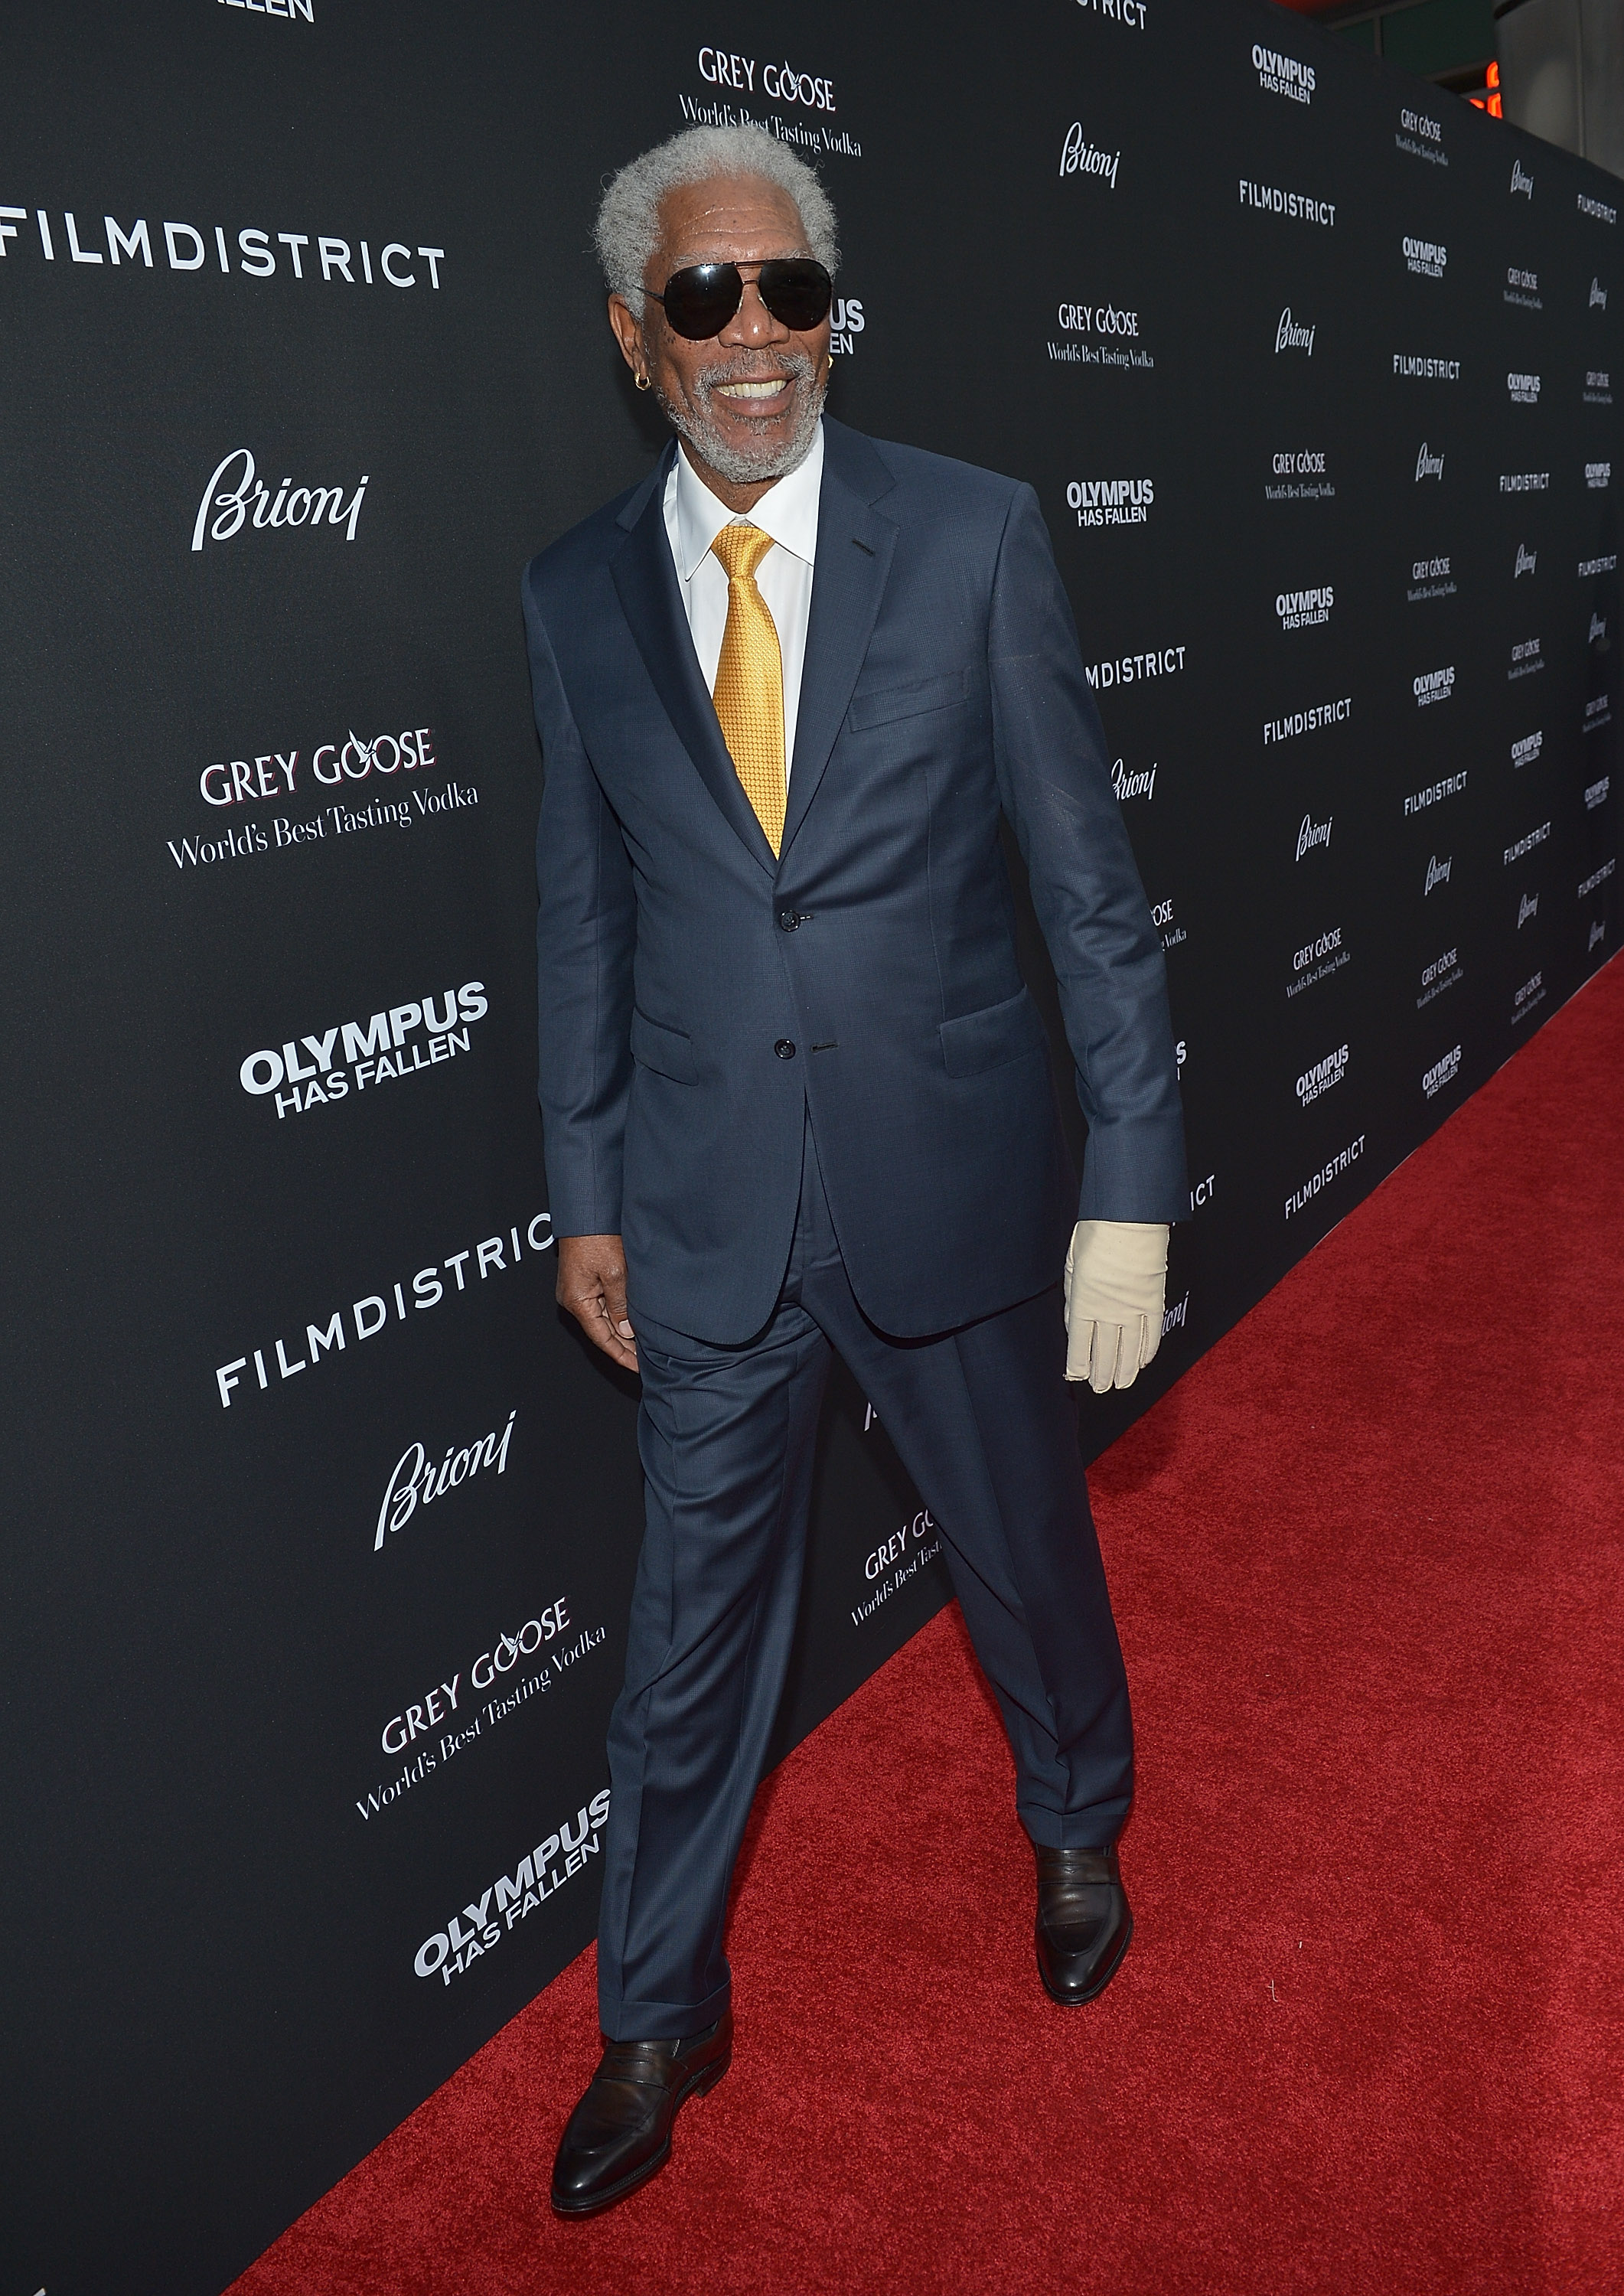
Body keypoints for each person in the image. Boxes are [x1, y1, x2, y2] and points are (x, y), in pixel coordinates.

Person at [522, 123, 1186, 2218]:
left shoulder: (973, 537)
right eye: (705, 299)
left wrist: (1133, 1182)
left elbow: (1088, 894)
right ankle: (652, 2011)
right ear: (639, 340)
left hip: (946, 1181)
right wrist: (588, 1191)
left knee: (1020, 1555)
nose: (753, 338)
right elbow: (584, 921)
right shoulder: (571, 595)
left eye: (788, 292)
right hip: (712, 1209)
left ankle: (1075, 1816)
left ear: (831, 317)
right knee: (684, 1644)